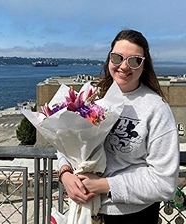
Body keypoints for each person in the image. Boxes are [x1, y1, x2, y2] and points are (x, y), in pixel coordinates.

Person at [57, 29, 180, 224]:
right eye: (117, 57)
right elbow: (65, 141)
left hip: (133, 216)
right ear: (108, 59)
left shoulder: (156, 109)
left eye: (134, 60)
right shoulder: (91, 95)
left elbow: (165, 183)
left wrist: (103, 185)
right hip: (85, 210)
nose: (124, 66)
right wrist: (64, 173)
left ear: (144, 65)